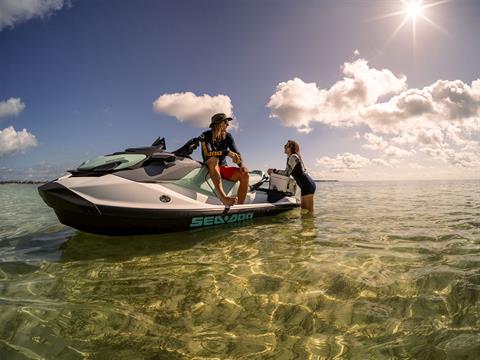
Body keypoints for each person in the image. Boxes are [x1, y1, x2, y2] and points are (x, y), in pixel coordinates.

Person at [199, 113, 249, 206]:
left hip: (222, 168)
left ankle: (240, 207)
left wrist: (241, 165)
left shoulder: (228, 136)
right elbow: (208, 154)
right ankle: (223, 198)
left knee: (245, 174)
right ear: (219, 123)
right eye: (226, 122)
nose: (228, 124)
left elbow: (236, 152)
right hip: (209, 166)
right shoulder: (205, 135)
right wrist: (226, 153)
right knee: (214, 160)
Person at [268, 140, 316, 212]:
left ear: (291, 148)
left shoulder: (293, 157)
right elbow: (287, 174)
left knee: (309, 213)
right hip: (304, 186)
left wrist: (274, 171)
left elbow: (287, 173)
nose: (285, 147)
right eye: (285, 146)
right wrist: (275, 172)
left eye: (286, 146)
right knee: (303, 211)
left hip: (307, 185)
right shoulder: (290, 158)